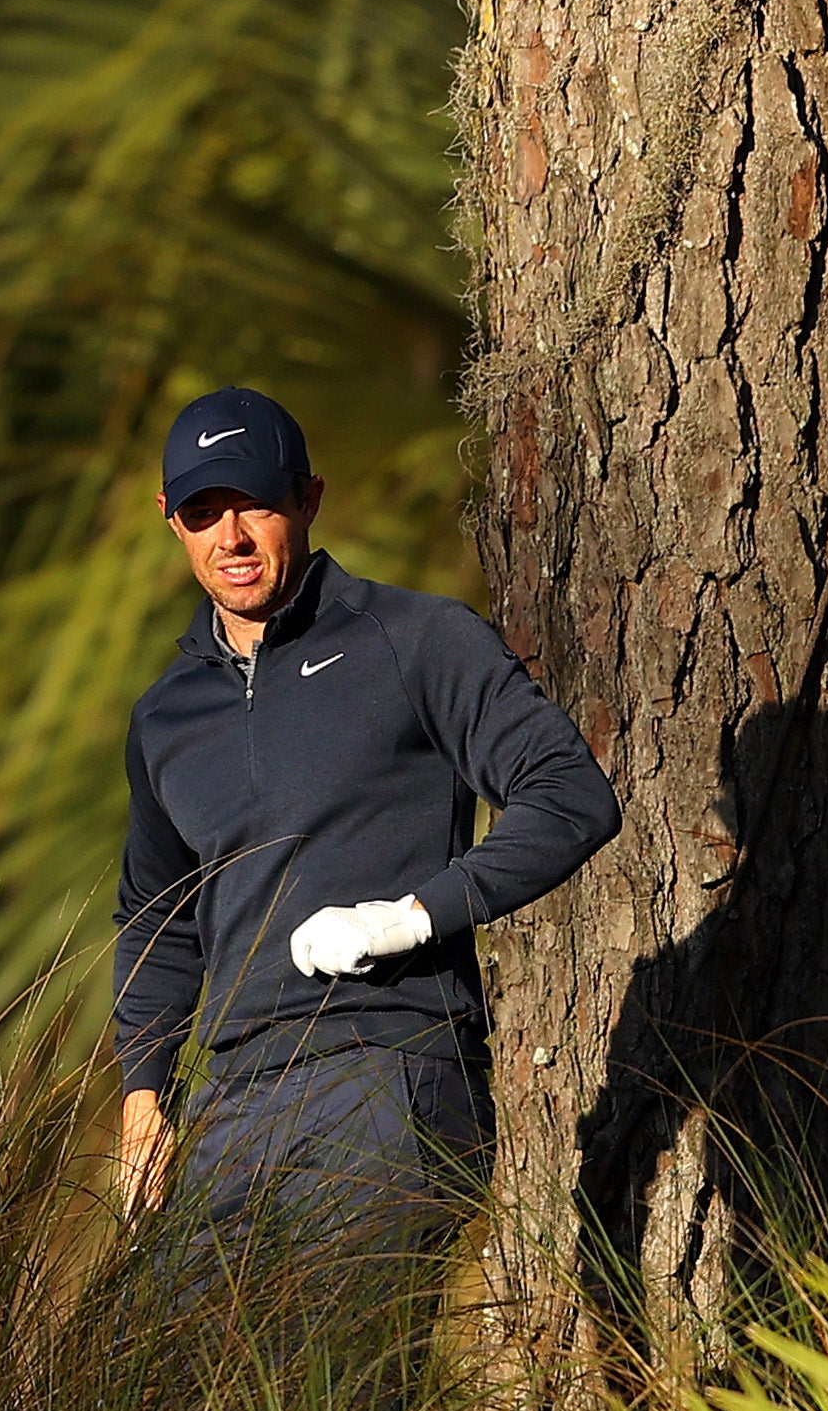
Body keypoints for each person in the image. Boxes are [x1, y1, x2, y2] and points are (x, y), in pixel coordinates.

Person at [112, 385, 619, 1242]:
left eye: (256, 505)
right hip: (229, 1110)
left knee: (339, 1376)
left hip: (390, 1071)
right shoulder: (165, 716)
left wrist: (409, 919)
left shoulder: (415, 640)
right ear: (171, 520)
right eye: (204, 512)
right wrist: (142, 1095)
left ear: (308, 499)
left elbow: (570, 795)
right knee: (175, 1377)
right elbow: (158, 921)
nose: (230, 538)